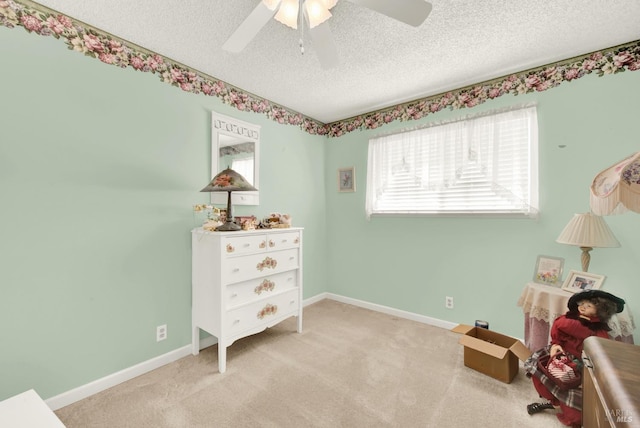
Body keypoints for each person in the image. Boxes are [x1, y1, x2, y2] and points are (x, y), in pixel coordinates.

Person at [524, 289, 625, 428]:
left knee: (575, 413)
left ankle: (562, 403)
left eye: (588, 306)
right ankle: (554, 401)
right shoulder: (569, 318)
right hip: (560, 355)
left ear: (601, 310)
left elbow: (598, 352)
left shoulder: (599, 331)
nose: (582, 307)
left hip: (578, 364)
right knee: (542, 374)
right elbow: (558, 328)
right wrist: (555, 344)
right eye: (582, 303)